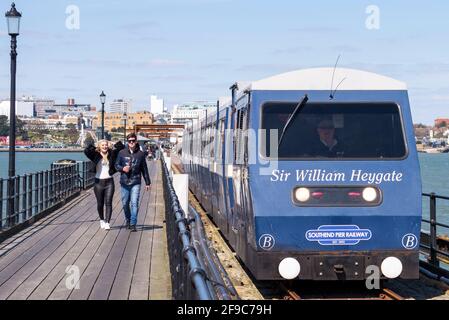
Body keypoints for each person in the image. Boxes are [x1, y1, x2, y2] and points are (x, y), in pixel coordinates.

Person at [84, 139, 124, 230]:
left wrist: (113, 143)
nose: (105, 147)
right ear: (99, 146)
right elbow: (86, 150)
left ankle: (107, 222)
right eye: (102, 145)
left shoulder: (111, 154)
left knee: (108, 203)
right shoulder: (95, 155)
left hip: (109, 182)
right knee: (100, 204)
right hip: (98, 183)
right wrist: (94, 145)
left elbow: (121, 147)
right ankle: (102, 219)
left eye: (106, 145)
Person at [115, 133, 151, 232]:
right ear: (127, 142)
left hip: (136, 181)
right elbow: (116, 165)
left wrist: (147, 182)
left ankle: (133, 223)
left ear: (136, 142)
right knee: (125, 203)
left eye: (133, 141)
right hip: (124, 182)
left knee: (134, 203)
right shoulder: (121, 153)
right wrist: (123, 168)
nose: (131, 142)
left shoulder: (140, 154)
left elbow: (144, 169)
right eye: (129, 141)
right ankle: (128, 219)